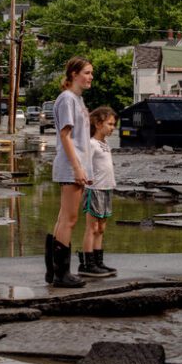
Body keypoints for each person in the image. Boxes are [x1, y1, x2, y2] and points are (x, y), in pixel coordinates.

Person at [44, 56, 93, 288]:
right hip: (71, 166)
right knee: (69, 219)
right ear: (73, 74)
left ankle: (53, 271)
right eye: (86, 72)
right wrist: (77, 168)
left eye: (91, 73)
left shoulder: (77, 100)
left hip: (76, 165)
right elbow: (65, 136)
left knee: (64, 218)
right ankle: (62, 274)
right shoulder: (67, 99)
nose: (90, 77)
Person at [78, 106, 118, 278]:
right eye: (109, 124)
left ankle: (99, 261)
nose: (112, 127)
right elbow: (82, 163)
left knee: (101, 227)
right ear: (98, 124)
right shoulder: (92, 144)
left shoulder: (105, 144)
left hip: (107, 189)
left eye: (113, 124)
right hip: (94, 190)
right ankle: (88, 264)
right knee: (92, 227)